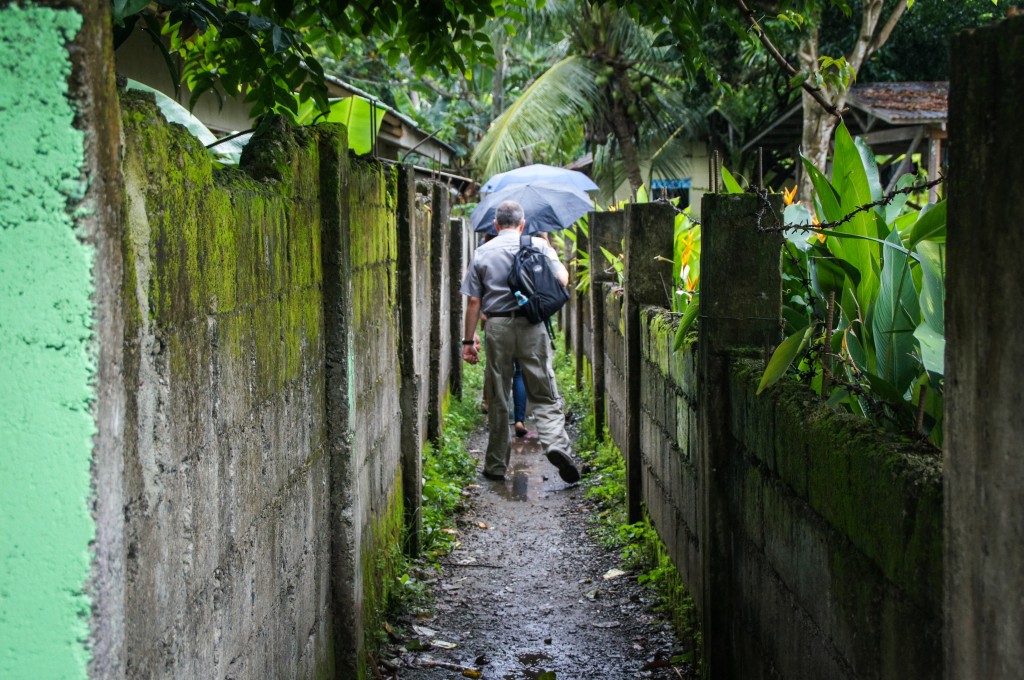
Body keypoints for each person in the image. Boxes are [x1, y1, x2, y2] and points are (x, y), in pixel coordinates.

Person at [460, 200, 579, 483]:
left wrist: (468, 340)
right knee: (544, 390)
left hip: (497, 326)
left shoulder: (482, 252)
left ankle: (496, 465)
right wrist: (550, 255)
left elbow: (474, 300)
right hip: (531, 326)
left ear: (496, 225)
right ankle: (556, 446)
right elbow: (563, 280)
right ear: (523, 223)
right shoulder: (537, 246)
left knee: (499, 395)